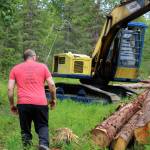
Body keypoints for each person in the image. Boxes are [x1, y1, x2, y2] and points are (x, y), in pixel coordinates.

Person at [8, 49, 56, 150]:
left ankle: (26, 147)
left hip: (23, 104)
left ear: (25, 58)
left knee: (25, 129)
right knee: (42, 125)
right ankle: (43, 144)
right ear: (34, 57)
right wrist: (53, 99)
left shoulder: (15, 69)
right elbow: (51, 84)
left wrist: (12, 105)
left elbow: (10, 89)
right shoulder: (43, 66)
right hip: (40, 103)